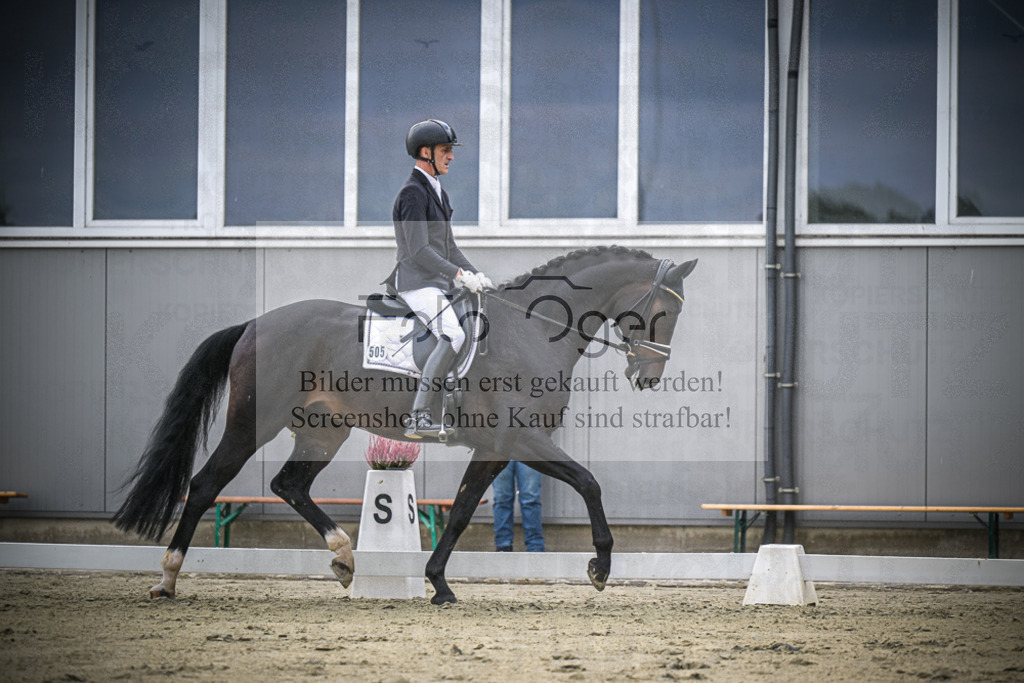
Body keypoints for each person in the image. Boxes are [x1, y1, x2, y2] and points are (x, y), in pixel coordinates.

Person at [385, 119, 493, 440]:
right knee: (454, 334)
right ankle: (418, 416)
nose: (451, 157)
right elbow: (419, 250)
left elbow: (449, 247)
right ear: (425, 152)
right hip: (415, 282)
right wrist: (458, 275)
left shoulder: (437, 192)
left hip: (435, 282)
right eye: (446, 150)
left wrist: (475, 275)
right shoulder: (412, 194)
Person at [492, 461, 545, 552]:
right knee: (501, 499)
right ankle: (503, 547)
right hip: (500, 449)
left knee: (530, 499)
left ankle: (535, 549)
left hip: (530, 449)